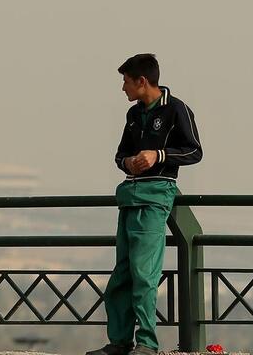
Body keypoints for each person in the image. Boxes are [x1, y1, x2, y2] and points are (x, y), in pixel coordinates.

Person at [86, 53, 204, 355]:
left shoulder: (176, 109)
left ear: (141, 81)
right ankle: (120, 341)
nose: (122, 88)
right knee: (122, 275)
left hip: (156, 195)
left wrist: (158, 155)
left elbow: (194, 151)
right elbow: (119, 155)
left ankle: (147, 343)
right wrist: (128, 162)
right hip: (130, 196)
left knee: (144, 274)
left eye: (126, 81)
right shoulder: (133, 114)